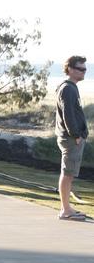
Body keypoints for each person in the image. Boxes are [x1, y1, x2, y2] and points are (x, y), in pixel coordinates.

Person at [55, 55, 88, 220]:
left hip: (72, 138)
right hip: (70, 138)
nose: (84, 72)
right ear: (70, 69)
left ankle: (66, 207)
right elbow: (68, 114)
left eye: (85, 69)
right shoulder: (68, 88)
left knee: (68, 173)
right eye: (80, 69)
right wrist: (76, 135)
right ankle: (66, 210)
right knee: (67, 173)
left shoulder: (70, 87)